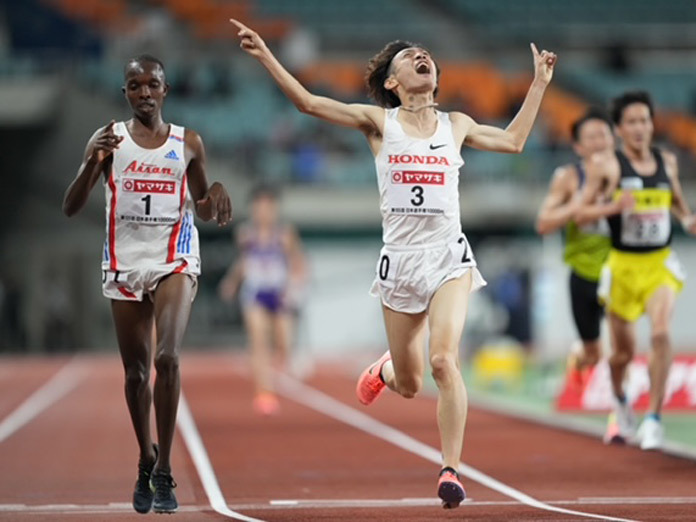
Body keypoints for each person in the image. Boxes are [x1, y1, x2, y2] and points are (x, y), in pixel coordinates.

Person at [230, 18, 556, 508]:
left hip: (448, 256)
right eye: (409, 57)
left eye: (426, 54)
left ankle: (450, 470)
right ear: (392, 82)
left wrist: (538, 85)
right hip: (400, 264)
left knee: (444, 359)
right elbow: (309, 103)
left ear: (436, 76)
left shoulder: (456, 125)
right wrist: (265, 55)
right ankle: (386, 372)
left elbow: (512, 142)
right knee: (411, 383)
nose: (420, 57)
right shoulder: (381, 123)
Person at [62, 55, 232, 514]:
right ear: (125, 93)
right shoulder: (110, 141)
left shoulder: (187, 142)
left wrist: (214, 192)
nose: (144, 92)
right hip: (123, 261)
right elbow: (71, 207)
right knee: (136, 374)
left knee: (167, 357)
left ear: (165, 89)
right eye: (134, 85)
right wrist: (89, 161)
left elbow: (202, 206)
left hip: (174, 256)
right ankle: (145, 456)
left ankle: (166, 471)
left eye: (151, 84)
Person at [575, 91, 696, 450]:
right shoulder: (607, 165)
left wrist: (691, 221)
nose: (640, 128)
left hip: (659, 264)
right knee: (621, 354)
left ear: (653, 125)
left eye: (645, 121)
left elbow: (679, 205)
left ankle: (653, 417)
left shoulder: (667, 161)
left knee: (661, 332)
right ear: (619, 129)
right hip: (623, 267)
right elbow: (580, 213)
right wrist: (613, 207)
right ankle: (621, 400)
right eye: (632, 122)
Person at [535, 108, 614, 390]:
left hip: (619, 269)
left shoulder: (627, 174)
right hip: (583, 271)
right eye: (591, 137)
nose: (599, 142)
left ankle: (621, 413)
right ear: (578, 146)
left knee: (620, 343)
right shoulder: (569, 178)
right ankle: (580, 357)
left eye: (604, 135)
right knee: (594, 351)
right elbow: (544, 223)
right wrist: (578, 206)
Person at [219, 186, 307, 415]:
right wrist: (232, 282)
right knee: (258, 343)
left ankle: (279, 368)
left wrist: (295, 287)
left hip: (279, 293)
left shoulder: (285, 233)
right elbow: (243, 262)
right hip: (255, 292)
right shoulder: (245, 234)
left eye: (268, 207)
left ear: (275, 209)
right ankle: (264, 393)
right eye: (259, 207)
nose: (263, 212)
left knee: (283, 344)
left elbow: (297, 262)